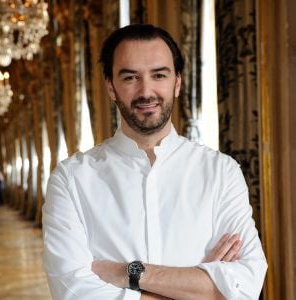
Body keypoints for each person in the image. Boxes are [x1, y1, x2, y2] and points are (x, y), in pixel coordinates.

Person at [42, 24, 267, 300]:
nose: (146, 91)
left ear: (178, 82)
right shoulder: (70, 179)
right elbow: (74, 292)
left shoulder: (222, 171)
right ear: (111, 87)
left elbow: (246, 285)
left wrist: (128, 273)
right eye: (130, 77)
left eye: (159, 75)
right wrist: (199, 288)